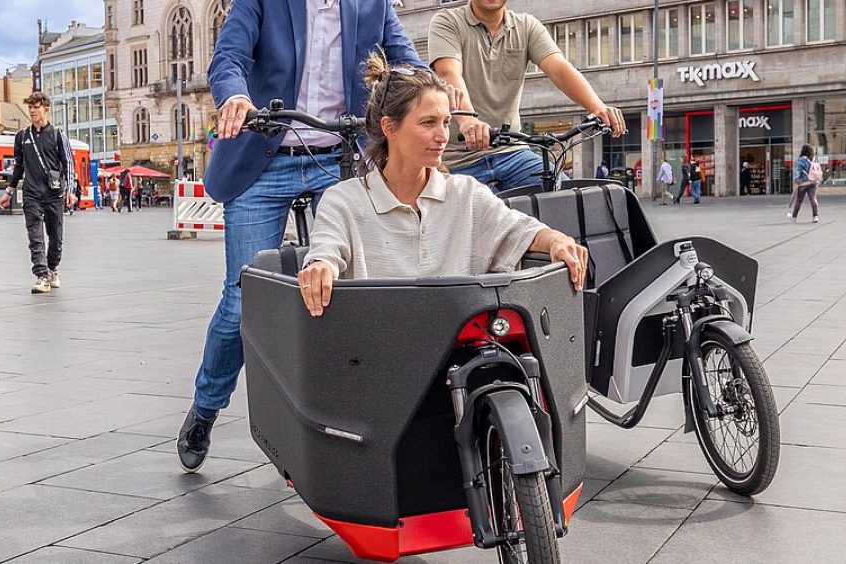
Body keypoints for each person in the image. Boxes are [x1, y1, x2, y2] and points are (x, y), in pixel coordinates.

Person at [176, 0, 426, 474]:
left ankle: (349, 421)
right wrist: (234, 96)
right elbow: (228, 57)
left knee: (353, 289)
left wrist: (431, 86)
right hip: (264, 159)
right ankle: (205, 409)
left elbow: (405, 59)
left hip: (337, 159)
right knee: (240, 300)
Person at [299, 55, 587, 316]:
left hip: (461, 361)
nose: (442, 136)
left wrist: (557, 241)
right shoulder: (343, 201)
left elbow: (522, 231)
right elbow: (326, 251)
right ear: (389, 128)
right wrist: (320, 268)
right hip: (377, 358)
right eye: (428, 123)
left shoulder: (466, 194)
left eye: (446, 122)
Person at [429, 0, 625, 192]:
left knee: (565, 197)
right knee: (479, 217)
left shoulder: (526, 26)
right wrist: (468, 121)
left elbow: (559, 68)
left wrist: (597, 107)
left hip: (512, 152)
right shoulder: (448, 21)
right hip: (459, 159)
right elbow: (449, 72)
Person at [0, 91, 79, 294]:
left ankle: (53, 269)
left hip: (54, 193)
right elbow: (19, 166)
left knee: (55, 236)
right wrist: (9, 191)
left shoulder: (58, 134)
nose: (33, 111)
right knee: (35, 236)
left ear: (46, 109)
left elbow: (68, 163)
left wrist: (70, 190)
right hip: (31, 193)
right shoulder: (22, 136)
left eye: (36, 107)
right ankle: (41, 276)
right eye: (30, 107)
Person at [790, 145, 819, 223]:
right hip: (813, 182)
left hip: (803, 182)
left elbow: (798, 172)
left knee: (799, 201)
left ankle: (794, 217)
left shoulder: (801, 160)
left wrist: (796, 181)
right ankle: (815, 216)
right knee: (813, 199)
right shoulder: (813, 160)